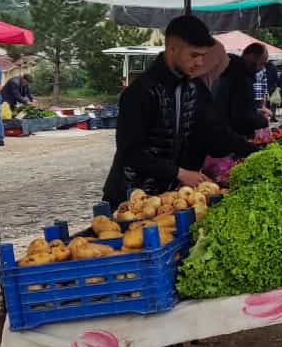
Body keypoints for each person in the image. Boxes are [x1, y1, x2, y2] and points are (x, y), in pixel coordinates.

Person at [103, 15, 255, 207]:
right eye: (194, 55)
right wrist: (179, 173)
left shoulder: (193, 89)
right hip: (129, 196)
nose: (200, 63)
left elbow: (215, 133)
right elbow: (131, 151)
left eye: (203, 56)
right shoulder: (140, 92)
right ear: (172, 48)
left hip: (165, 197)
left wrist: (253, 150)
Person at [215, 43, 270, 139]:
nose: (262, 68)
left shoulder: (228, 72)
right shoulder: (241, 78)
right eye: (262, 63)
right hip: (235, 138)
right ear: (251, 56)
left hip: (224, 134)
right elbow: (243, 118)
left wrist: (254, 110)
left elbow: (235, 107)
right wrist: (263, 120)